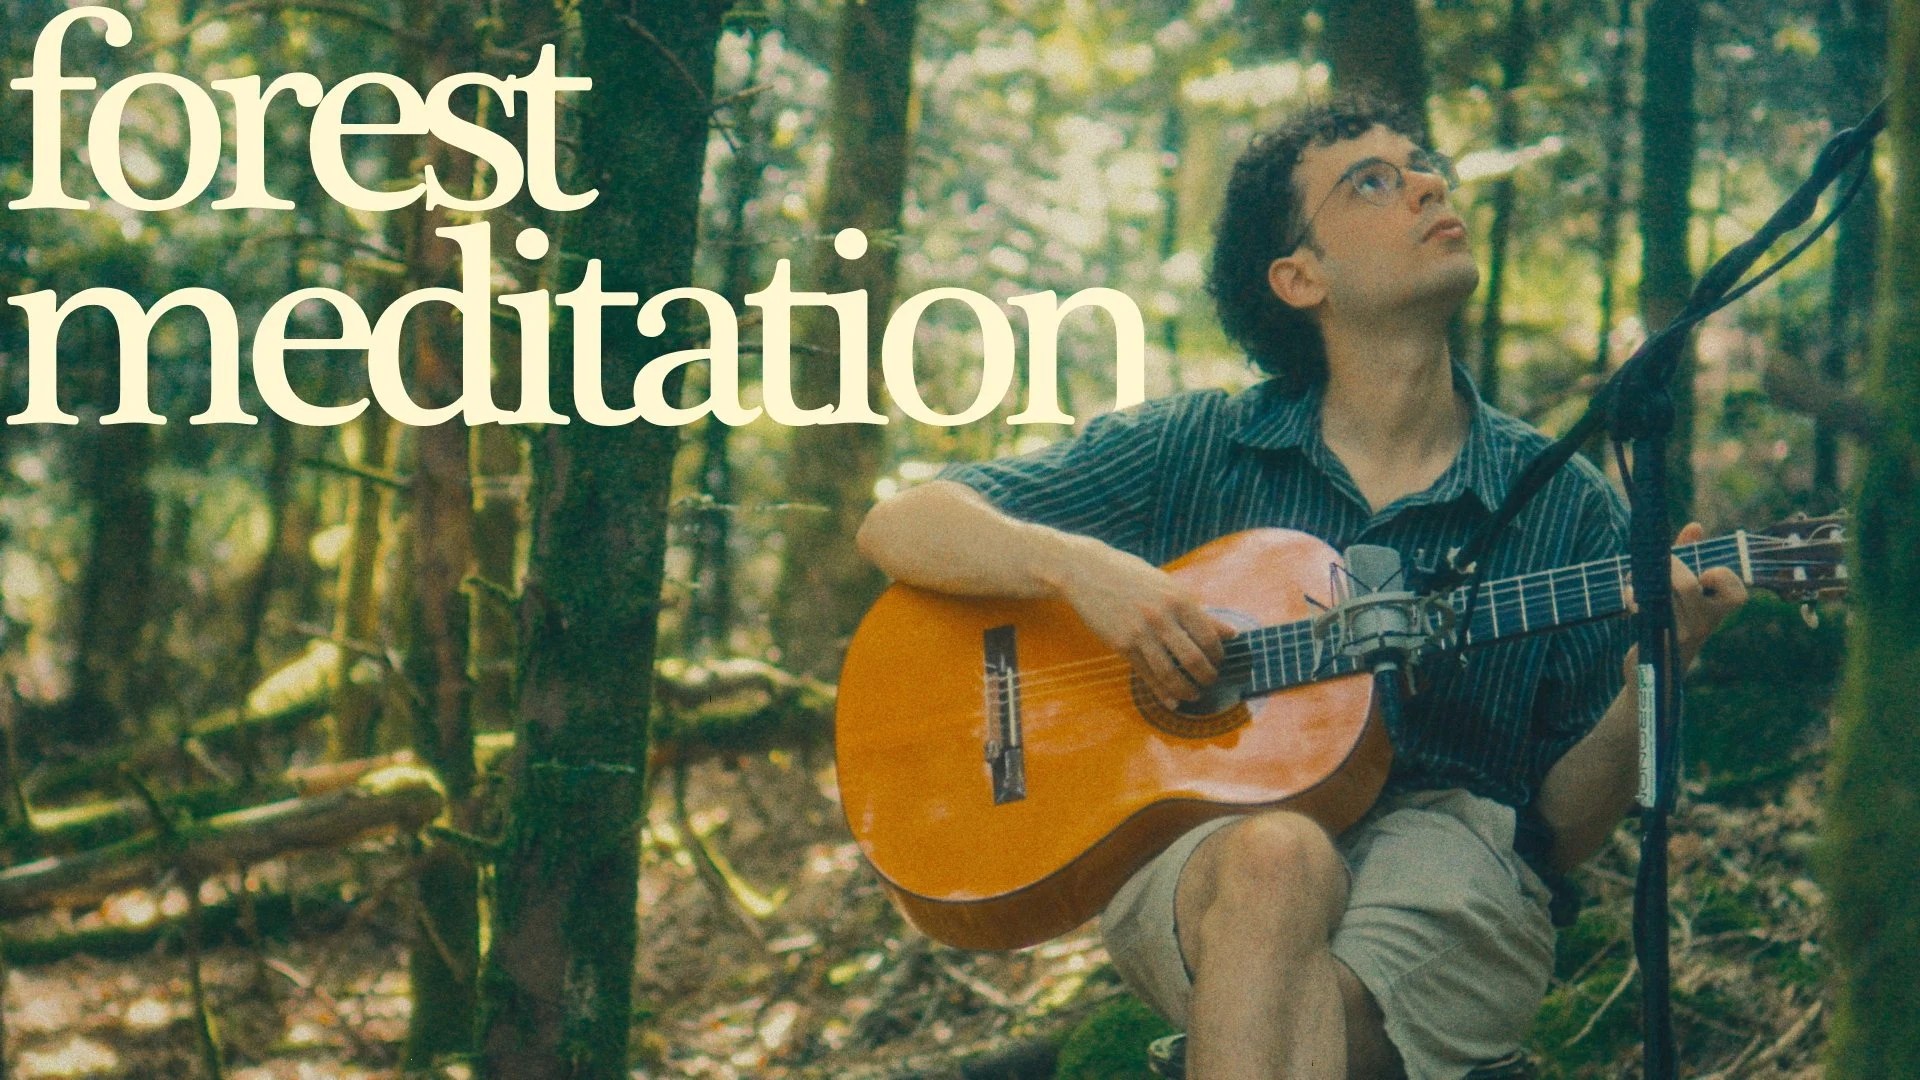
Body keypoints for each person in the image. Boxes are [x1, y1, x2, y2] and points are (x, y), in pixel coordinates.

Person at [854, 95, 1747, 1080]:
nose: (1428, 184)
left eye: (1421, 164)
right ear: (1298, 276)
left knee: (1295, 997)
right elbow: (901, 524)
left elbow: (1564, 829)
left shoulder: (1558, 504)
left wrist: (1654, 672)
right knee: (1275, 856)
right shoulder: (1198, 447)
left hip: (1454, 856)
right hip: (1203, 844)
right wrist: (1083, 569)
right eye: (1374, 180)